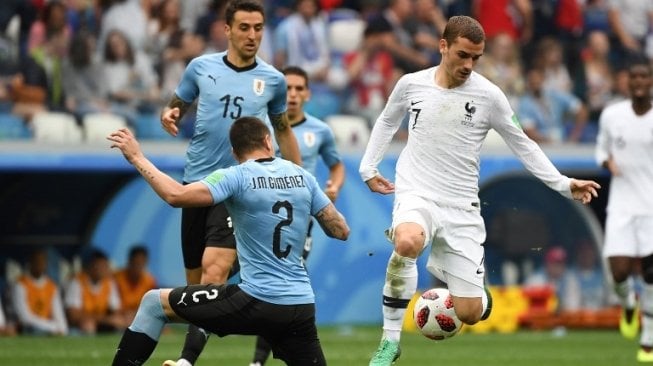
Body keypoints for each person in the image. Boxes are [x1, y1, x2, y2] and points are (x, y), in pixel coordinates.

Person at [358, 15, 601, 365]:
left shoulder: (489, 96)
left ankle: (478, 296)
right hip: (417, 192)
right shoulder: (411, 84)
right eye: (462, 55)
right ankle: (390, 342)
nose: (469, 65)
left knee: (470, 312)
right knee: (407, 241)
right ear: (443, 47)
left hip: (461, 208)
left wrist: (563, 184)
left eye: (476, 58)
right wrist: (368, 167)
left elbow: (523, 144)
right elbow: (386, 120)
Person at [107, 116, 349, 366]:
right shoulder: (302, 176)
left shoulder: (236, 176)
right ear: (268, 141)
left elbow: (175, 195)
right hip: (301, 305)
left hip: (256, 300)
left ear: (234, 152)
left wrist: (137, 157)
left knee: (153, 303)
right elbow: (341, 230)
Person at [158, 0, 301, 364]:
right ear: (227, 30)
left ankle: (186, 361)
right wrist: (171, 113)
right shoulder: (200, 68)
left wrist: (299, 180)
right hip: (197, 186)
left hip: (239, 188)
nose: (252, 35)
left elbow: (283, 130)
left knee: (214, 271)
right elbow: (179, 102)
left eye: (258, 28)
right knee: (195, 291)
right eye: (244, 28)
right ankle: (248, 319)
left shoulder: (272, 80)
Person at [248, 65, 345, 366]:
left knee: (282, 282)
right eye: (287, 88)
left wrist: (334, 187)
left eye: (298, 89)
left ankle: (257, 361)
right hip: (256, 216)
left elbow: (336, 165)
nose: (292, 95)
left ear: (307, 93)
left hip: (297, 220)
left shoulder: (320, 131)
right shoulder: (261, 127)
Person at [595, 58, 653, 363]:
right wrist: (607, 162)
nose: (640, 81)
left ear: (651, 81)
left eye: (645, 76)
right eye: (635, 76)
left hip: (651, 207)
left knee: (651, 274)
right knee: (617, 271)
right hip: (622, 206)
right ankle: (628, 302)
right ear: (627, 81)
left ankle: (648, 340)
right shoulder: (612, 115)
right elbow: (601, 149)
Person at [64, 249, 127, 335]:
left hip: (103, 323)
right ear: (91, 267)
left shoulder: (109, 283)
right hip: (78, 326)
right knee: (88, 325)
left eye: (105, 266)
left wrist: (115, 319)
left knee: (121, 321)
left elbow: (117, 310)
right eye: (100, 266)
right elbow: (73, 316)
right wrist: (104, 319)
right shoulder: (77, 282)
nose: (104, 270)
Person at [11, 248, 68, 335]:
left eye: (42, 262)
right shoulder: (20, 284)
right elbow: (25, 318)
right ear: (30, 263)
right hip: (29, 329)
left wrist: (61, 328)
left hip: (48, 328)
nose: (39, 265)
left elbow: (59, 316)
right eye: (36, 261)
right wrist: (52, 327)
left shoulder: (51, 286)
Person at [114, 245, 157, 324]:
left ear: (146, 262)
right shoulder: (117, 278)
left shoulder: (150, 281)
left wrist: (135, 314)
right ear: (129, 261)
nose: (138, 267)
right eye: (136, 263)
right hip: (120, 316)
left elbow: (150, 306)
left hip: (138, 315)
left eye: (141, 263)